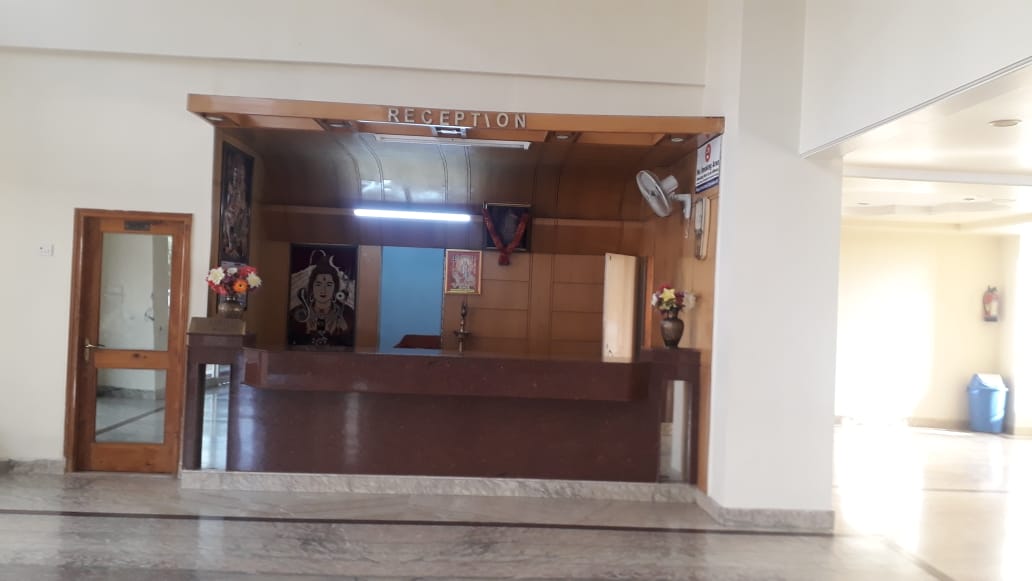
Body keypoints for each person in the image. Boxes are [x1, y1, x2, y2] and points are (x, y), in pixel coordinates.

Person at [290, 253, 356, 347]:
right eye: (318, 284)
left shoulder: (347, 315)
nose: (323, 289)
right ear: (311, 287)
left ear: (335, 289)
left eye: (329, 285)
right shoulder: (297, 314)